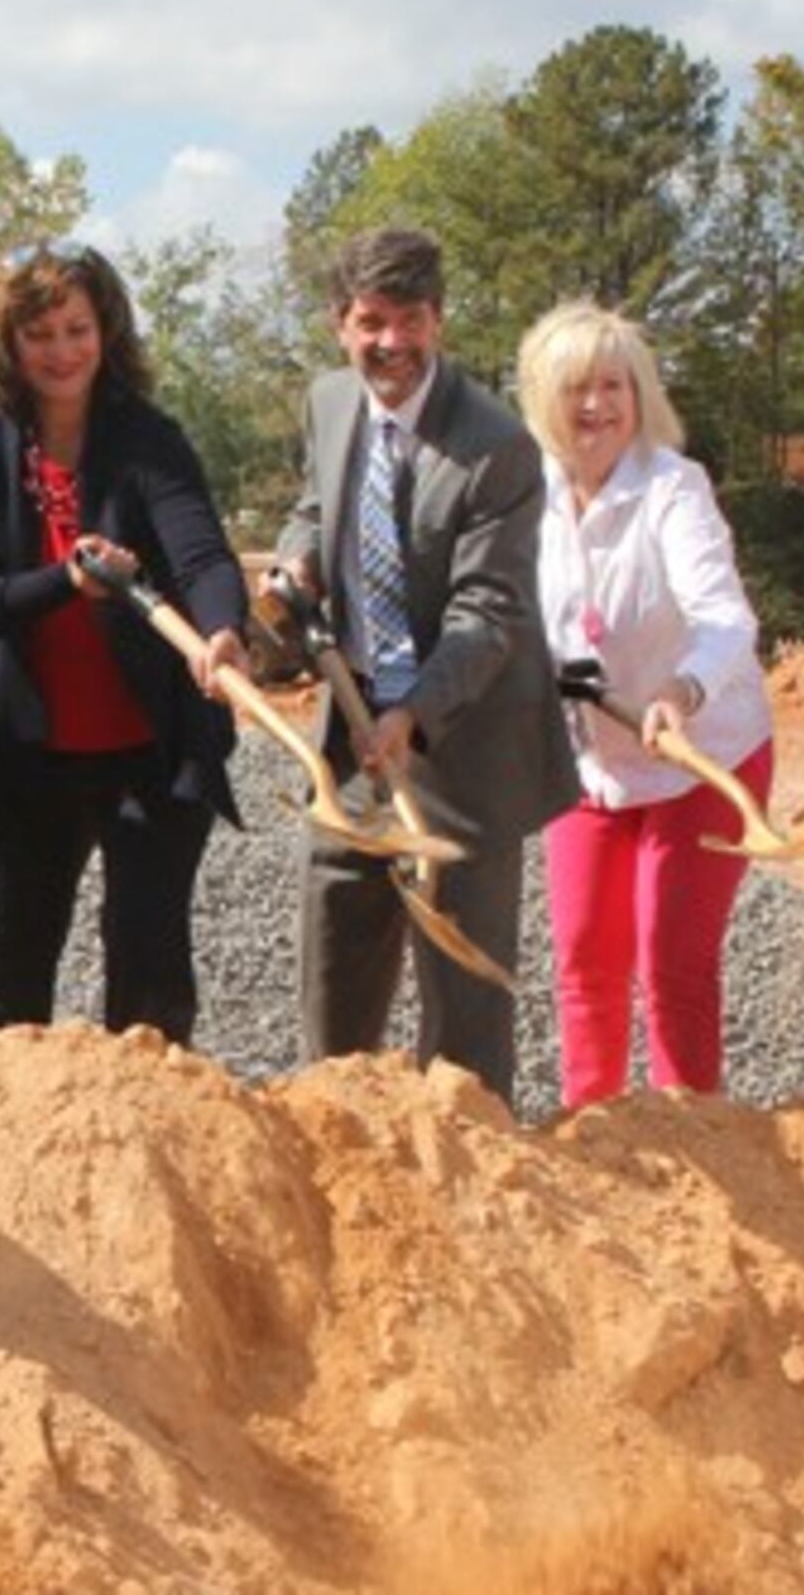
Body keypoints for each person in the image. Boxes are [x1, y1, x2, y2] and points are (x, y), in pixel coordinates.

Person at [270, 227, 571, 1106]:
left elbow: (489, 614)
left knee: (464, 997)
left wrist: (415, 715)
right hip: (353, 724)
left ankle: (471, 1165)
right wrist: (297, 560)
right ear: (340, 324)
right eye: (371, 322)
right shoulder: (330, 402)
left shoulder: (497, 448)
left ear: (438, 321)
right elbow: (316, 505)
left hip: (465, 741)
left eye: (409, 321)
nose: (390, 344)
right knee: (338, 948)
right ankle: (336, 1127)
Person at [0, 243, 252, 1044]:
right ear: (6, 346)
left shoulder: (147, 440)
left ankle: (149, 1149)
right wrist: (66, 584)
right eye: (39, 335)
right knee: (8, 990)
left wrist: (221, 630)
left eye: (77, 329)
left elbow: (203, 555)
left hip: (150, 751)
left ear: (105, 332)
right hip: (28, 755)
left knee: (150, 990)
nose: (62, 352)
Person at [515, 301, 776, 1106]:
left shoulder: (673, 488)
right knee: (586, 956)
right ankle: (594, 1131)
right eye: (577, 390)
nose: (597, 406)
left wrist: (680, 689)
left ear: (640, 394)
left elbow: (726, 617)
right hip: (591, 761)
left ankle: (689, 1127)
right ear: (543, 401)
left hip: (700, 755)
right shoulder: (531, 493)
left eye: (613, 386)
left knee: (671, 961)